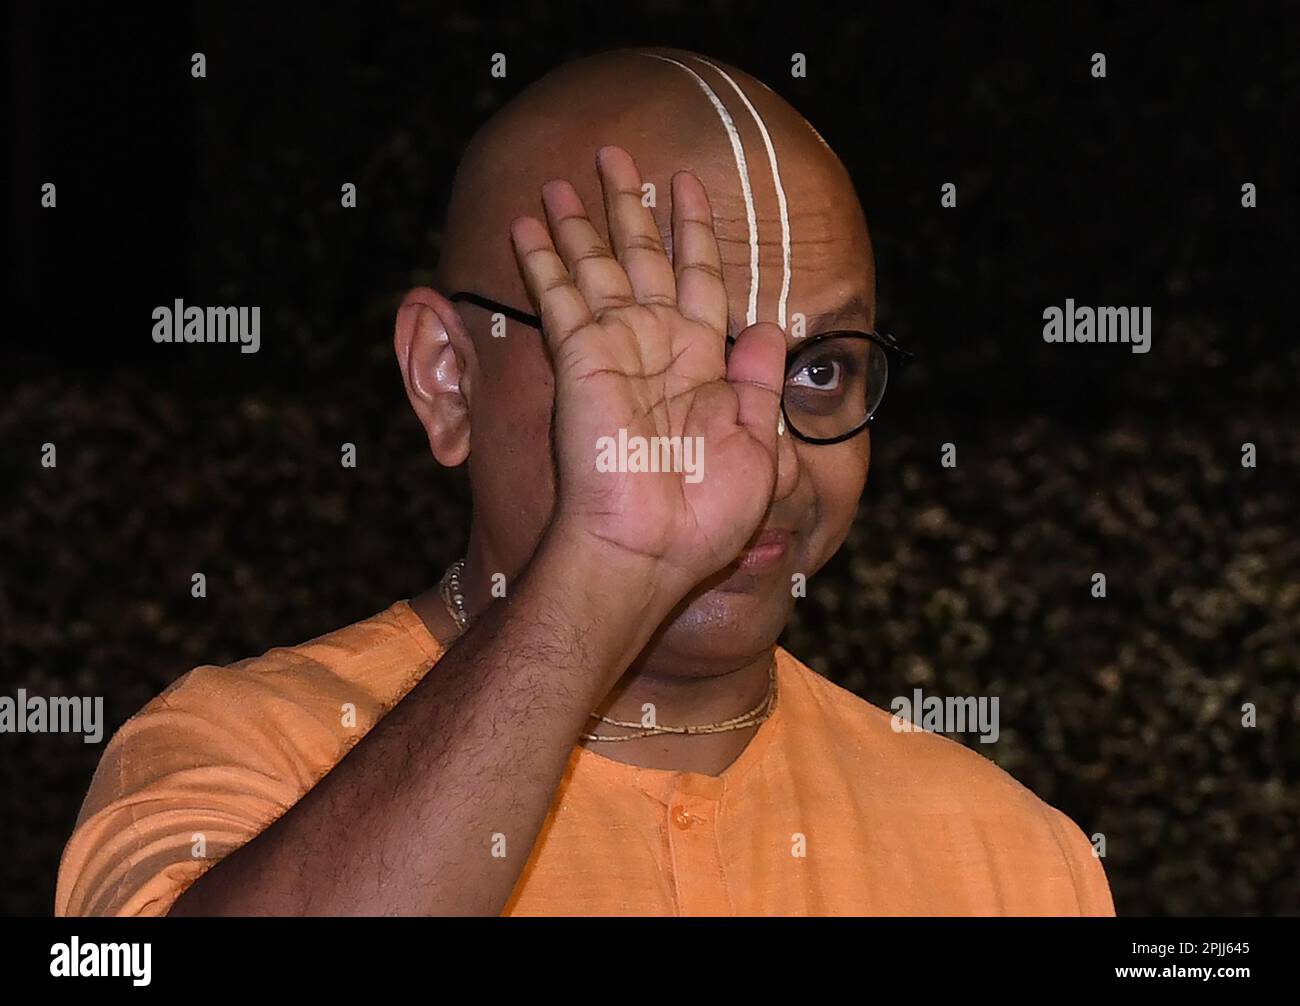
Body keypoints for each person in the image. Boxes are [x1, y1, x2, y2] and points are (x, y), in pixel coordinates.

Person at [56, 47, 1114, 916]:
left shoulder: (1017, 858)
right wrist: (608, 565)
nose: (758, 455)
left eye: (820, 368)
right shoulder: (231, 754)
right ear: (446, 378)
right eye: (666, 356)